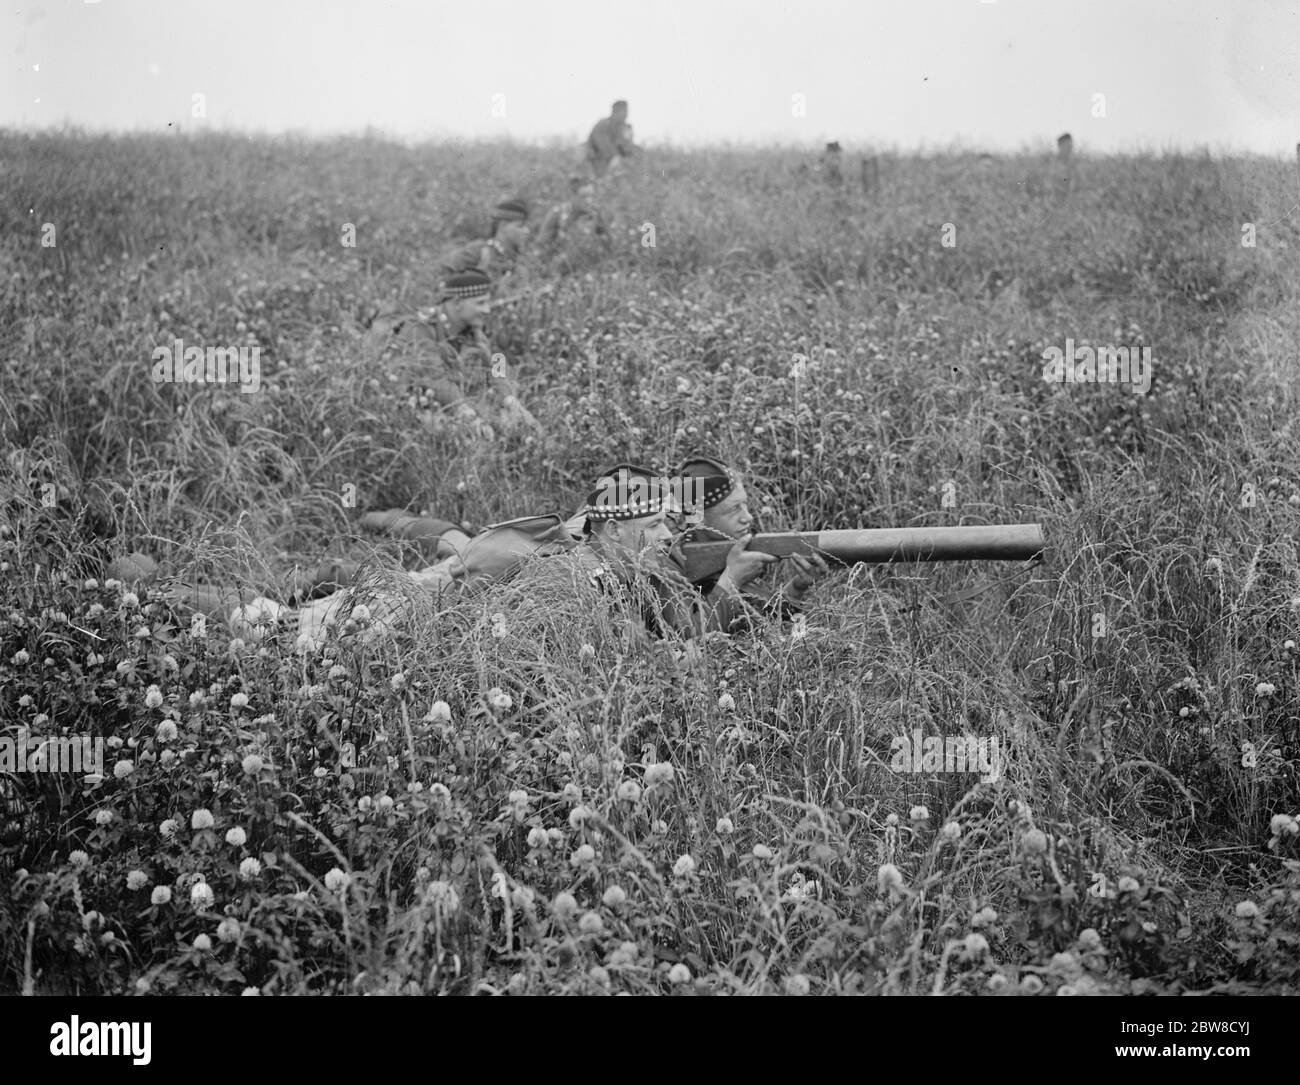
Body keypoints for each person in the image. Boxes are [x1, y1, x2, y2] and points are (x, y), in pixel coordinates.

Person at [365, 269, 536, 434]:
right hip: (412, 401)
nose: (487, 310)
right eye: (480, 303)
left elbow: (495, 364)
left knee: (510, 421)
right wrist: (467, 413)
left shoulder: (473, 327)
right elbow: (434, 377)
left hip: (452, 395)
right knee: (459, 431)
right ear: (457, 303)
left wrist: (510, 400)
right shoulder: (420, 328)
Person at [673, 454, 829, 631]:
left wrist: (797, 587)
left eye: (744, 504)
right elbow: (688, 636)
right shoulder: (672, 566)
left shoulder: (724, 557)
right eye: (734, 509)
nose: (748, 517)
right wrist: (731, 581)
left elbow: (759, 624)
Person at [437, 199, 531, 286]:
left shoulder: (519, 258)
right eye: (520, 226)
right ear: (503, 225)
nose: (527, 231)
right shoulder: (479, 250)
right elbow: (442, 272)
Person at [536, 175, 610, 265]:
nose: (589, 201)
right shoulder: (557, 213)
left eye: (592, 197)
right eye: (584, 197)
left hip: (587, 267)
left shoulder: (595, 214)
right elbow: (542, 245)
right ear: (573, 196)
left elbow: (608, 244)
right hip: (560, 268)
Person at [585, 101, 636, 179]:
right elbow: (602, 145)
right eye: (623, 111)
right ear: (615, 112)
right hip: (596, 161)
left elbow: (628, 150)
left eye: (626, 111)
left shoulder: (625, 128)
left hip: (617, 164)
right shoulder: (603, 124)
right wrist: (616, 156)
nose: (626, 115)